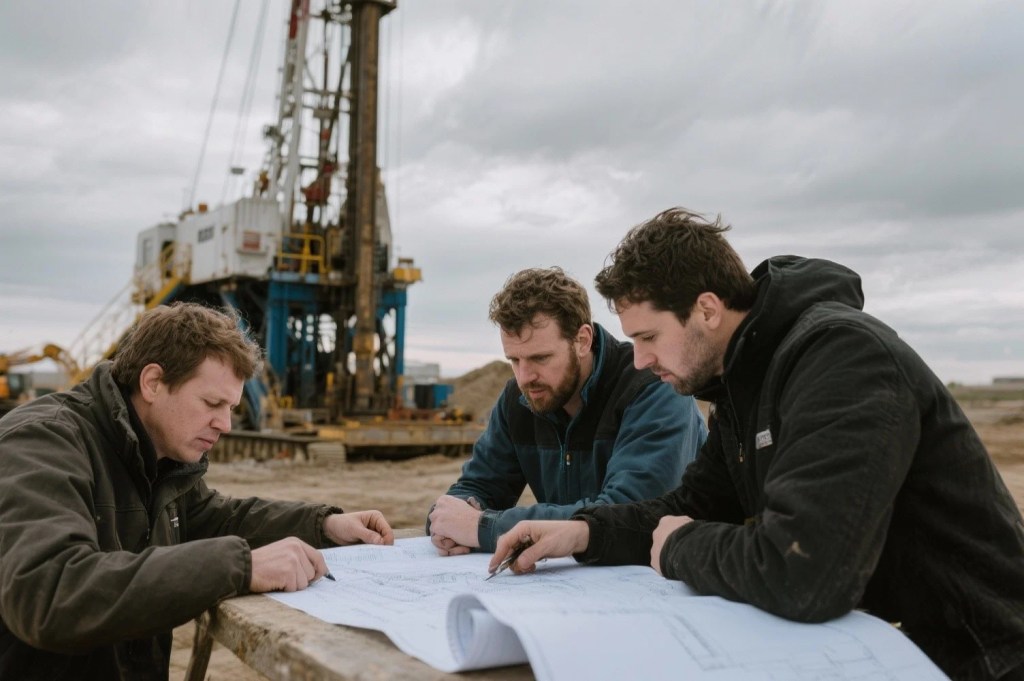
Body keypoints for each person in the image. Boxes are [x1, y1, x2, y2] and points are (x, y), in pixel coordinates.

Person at [490, 208, 1024, 681]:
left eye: (647, 337)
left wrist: (681, 547)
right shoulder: (743, 387)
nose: (640, 361)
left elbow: (805, 574)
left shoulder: (843, 358)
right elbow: (687, 507)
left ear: (706, 310)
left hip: (980, 657)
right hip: (882, 646)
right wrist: (583, 532)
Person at [0, 302, 395, 680]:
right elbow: (48, 593)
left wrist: (323, 525)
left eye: (231, 408)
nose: (224, 424)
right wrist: (241, 567)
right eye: (211, 403)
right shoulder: (43, 441)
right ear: (153, 382)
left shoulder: (158, 456)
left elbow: (219, 517)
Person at [427, 266, 707, 555]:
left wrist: (483, 527)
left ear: (582, 340)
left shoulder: (652, 387)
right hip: (569, 585)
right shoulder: (518, 399)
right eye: (514, 360)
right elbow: (476, 488)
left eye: (541, 358)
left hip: (674, 581)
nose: (524, 377)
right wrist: (447, 521)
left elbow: (629, 512)